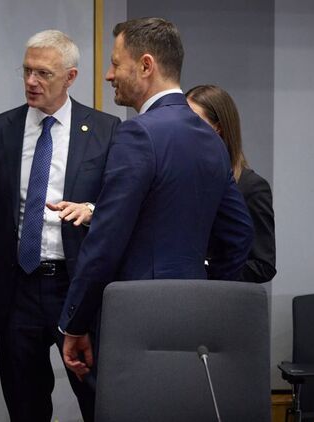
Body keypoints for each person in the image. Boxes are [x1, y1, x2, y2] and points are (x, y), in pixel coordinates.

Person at [59, 18, 254, 383]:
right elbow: (239, 235)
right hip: (195, 316)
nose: (108, 75)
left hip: (137, 322)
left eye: (116, 64)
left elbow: (106, 239)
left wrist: (75, 321)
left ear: (146, 65)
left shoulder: (138, 133)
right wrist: (205, 288)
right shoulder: (211, 139)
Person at [0, 30, 120, 422]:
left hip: (76, 286)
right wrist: (11, 251)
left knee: (97, 399)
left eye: (43, 73)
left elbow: (117, 205)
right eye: (27, 71)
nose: (31, 81)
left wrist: (90, 209)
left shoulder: (106, 130)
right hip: (16, 289)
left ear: (70, 77)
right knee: (25, 405)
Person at [186, 84, 277, 283]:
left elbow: (263, 265)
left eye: (193, 120)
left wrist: (208, 270)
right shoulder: (184, 179)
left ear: (217, 127)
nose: (184, 128)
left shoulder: (252, 187)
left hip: (221, 295)